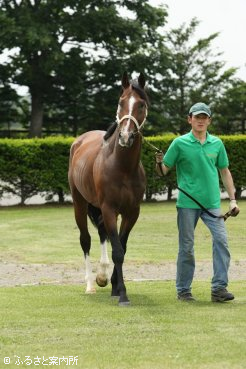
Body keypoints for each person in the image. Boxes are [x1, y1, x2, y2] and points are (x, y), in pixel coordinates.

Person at [156, 102, 240, 302]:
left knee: (221, 242)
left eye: (204, 117)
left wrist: (233, 200)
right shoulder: (179, 143)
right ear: (189, 119)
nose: (201, 120)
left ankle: (219, 288)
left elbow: (225, 172)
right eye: (197, 117)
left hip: (212, 204)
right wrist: (158, 162)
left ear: (209, 120)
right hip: (187, 203)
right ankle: (183, 290)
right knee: (186, 247)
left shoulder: (217, 144)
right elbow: (162, 172)